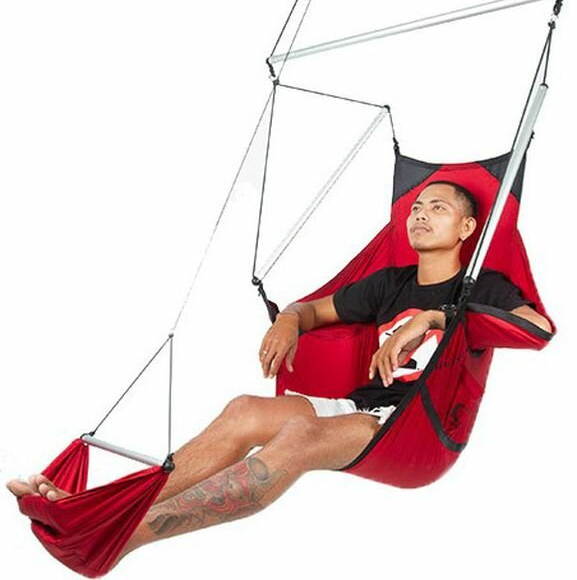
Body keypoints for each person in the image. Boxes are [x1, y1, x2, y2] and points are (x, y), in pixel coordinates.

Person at [7, 180, 551, 570]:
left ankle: (117, 539)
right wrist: (289, 320)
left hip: (413, 428)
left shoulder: (482, 287)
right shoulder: (390, 282)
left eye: (438, 207)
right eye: (416, 207)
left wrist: (435, 318)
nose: (420, 214)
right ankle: (103, 510)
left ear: (468, 227)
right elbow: (310, 310)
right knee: (245, 409)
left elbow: (539, 328)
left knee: (299, 436)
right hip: (360, 409)